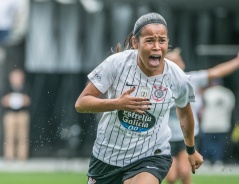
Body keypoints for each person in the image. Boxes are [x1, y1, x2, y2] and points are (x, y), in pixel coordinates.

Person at [75, 12, 203, 184]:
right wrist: (117, 104)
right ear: (136, 43)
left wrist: (191, 150)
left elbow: (185, 114)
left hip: (151, 155)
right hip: (106, 157)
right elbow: (81, 103)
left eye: (162, 40)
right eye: (150, 40)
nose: (157, 47)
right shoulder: (116, 64)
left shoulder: (177, 77)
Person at [164, 46, 239, 184]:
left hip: (187, 135)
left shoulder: (190, 79)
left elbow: (216, 72)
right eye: (171, 61)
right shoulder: (161, 84)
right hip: (168, 136)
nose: (175, 64)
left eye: (178, 60)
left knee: (185, 173)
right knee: (171, 178)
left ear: (182, 64)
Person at [201, 78, 235, 166]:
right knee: (220, 144)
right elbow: (231, 108)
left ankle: (207, 160)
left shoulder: (207, 92)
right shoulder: (228, 93)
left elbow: (201, 108)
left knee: (207, 144)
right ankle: (218, 160)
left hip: (208, 123)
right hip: (222, 123)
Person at [1, 68, 31, 160]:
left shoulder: (26, 87)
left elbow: (28, 101)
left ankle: (22, 156)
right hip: (10, 114)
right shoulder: (7, 87)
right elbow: (3, 101)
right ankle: (9, 156)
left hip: (22, 114)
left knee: (23, 136)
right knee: (9, 136)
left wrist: (23, 100)